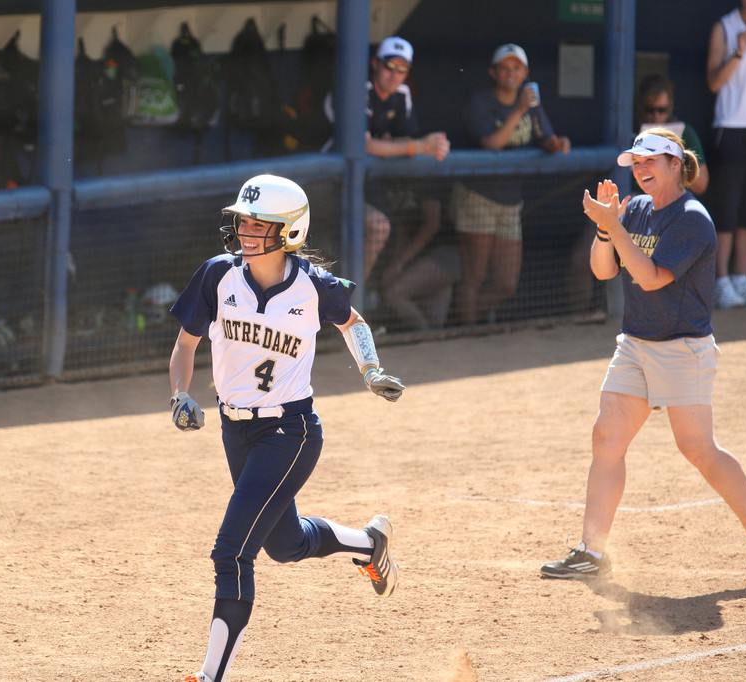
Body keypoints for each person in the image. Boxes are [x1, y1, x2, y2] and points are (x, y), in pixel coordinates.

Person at [169, 174, 406, 682]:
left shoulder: (315, 285)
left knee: (232, 552)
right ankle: (369, 544)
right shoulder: (217, 275)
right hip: (236, 431)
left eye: (259, 224)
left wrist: (372, 372)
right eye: (243, 221)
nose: (246, 231)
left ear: (289, 231)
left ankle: (209, 676)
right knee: (286, 544)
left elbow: (354, 323)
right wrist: (180, 394)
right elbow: (186, 345)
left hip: (291, 433)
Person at [541, 129, 746, 584]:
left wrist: (615, 227)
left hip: (684, 348)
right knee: (606, 437)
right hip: (636, 343)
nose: (640, 170)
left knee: (699, 449)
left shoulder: (692, 218)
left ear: (675, 165)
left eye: (650, 162)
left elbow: (654, 277)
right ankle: (592, 552)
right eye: (635, 163)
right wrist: (606, 227)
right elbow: (604, 270)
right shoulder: (635, 209)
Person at [455, 43, 570, 326]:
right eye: (505, 67)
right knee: (475, 276)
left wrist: (557, 144)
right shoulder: (480, 103)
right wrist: (518, 110)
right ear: (493, 72)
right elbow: (492, 144)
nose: (511, 73)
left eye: (516, 67)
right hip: (477, 196)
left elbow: (545, 136)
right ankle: (466, 337)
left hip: (510, 200)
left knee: (506, 283)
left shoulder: (530, 102)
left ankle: (460, 319)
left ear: (525, 72)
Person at [322, 36, 450, 284]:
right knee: (375, 227)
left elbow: (402, 141)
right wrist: (418, 146)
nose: (394, 75)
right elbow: (366, 145)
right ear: (375, 64)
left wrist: (411, 146)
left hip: (363, 185)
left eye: (402, 69)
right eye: (389, 67)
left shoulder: (402, 95)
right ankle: (344, 301)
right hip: (326, 183)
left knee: (386, 226)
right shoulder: (357, 89)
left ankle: (349, 300)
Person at [706, 0, 746, 308]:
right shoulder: (723, 27)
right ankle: (722, 281)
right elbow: (713, 82)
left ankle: (741, 278)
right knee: (727, 204)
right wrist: (738, 52)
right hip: (730, 127)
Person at [379, 198, 461, 331]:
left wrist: (398, 264)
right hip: (420, 258)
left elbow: (432, 225)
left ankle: (424, 336)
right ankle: (427, 340)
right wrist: (396, 265)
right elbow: (403, 228)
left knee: (393, 293)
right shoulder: (394, 187)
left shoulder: (426, 183)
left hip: (447, 254)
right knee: (434, 323)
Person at [635, 73, 709, 195]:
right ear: (640, 107)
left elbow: (701, 185)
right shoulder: (628, 132)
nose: (656, 116)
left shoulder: (684, 133)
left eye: (661, 110)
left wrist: (674, 162)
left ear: (669, 107)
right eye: (650, 110)